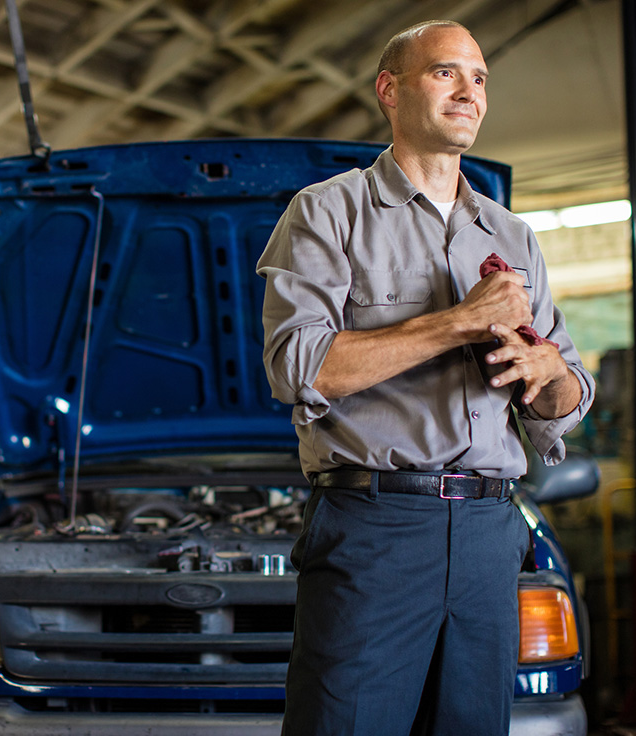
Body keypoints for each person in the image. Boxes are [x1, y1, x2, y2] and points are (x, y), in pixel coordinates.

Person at [257, 19, 595, 736]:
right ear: (390, 89)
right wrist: (456, 323)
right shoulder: (328, 212)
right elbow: (298, 368)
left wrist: (550, 369)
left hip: (488, 532)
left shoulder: (513, 237)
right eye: (446, 72)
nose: (469, 90)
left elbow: (564, 405)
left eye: (479, 78)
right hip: (376, 530)